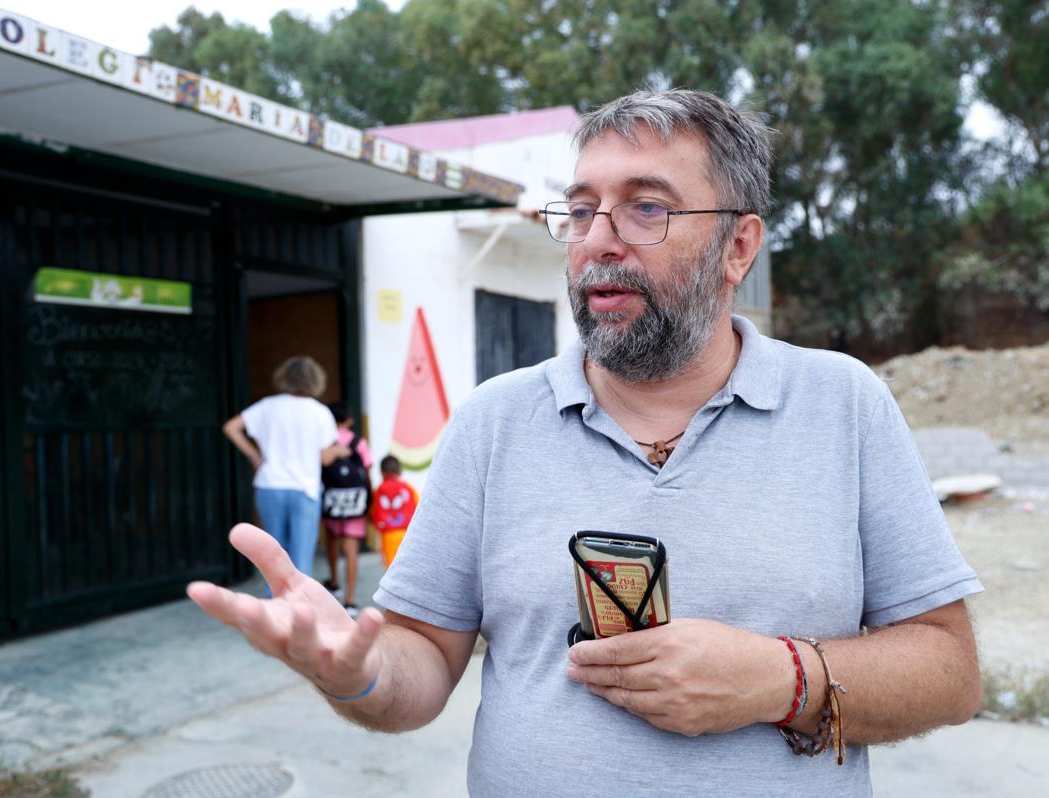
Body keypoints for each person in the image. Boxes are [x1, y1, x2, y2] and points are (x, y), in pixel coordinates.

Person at [190, 89, 983, 796]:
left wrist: (783, 679)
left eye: (646, 208)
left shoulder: (844, 405)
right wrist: (357, 674)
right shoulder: (494, 422)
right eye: (580, 209)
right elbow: (422, 661)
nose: (598, 239)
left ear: (739, 246)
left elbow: (950, 672)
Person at [221, 355, 349, 581]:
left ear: (285, 377)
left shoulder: (267, 406)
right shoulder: (320, 412)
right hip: (305, 489)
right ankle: (299, 614)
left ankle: (276, 610)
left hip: (270, 486)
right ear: (315, 380)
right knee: (301, 562)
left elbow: (231, 427)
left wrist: (253, 454)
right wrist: (339, 451)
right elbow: (325, 458)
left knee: (272, 557)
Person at [320, 400, 373, 617]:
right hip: (354, 502)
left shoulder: (326, 441)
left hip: (332, 500)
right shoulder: (358, 442)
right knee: (351, 551)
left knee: (332, 541)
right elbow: (367, 470)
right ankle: (350, 601)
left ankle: (334, 584)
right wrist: (369, 501)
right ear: (349, 420)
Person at [369, 455, 419, 569]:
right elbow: (418, 508)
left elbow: (373, 512)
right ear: (400, 471)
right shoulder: (409, 488)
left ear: (382, 472)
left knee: (391, 568)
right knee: (408, 566)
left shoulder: (379, 490)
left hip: (388, 536)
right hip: (408, 534)